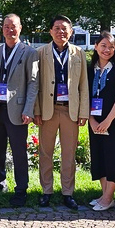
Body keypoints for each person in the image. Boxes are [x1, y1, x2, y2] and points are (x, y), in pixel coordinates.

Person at [33, 15, 89, 210]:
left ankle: (68, 192)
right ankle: (46, 191)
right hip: (48, 109)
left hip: (70, 111)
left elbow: (84, 84)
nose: (60, 32)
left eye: (64, 28)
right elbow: (35, 85)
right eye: (56, 28)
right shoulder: (40, 53)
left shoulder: (79, 53)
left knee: (69, 154)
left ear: (71, 32)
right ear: (50, 31)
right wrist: (36, 111)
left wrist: (83, 112)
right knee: (45, 153)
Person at [0, 14, 39, 207]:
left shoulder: (29, 52)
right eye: (6, 26)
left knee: (19, 151)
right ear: (2, 29)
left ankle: (21, 189)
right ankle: (0, 182)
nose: (10, 30)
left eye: (14, 26)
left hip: (18, 110)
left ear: (20, 28)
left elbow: (33, 83)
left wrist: (28, 109)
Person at [86, 32, 115, 211]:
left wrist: (108, 121)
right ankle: (105, 195)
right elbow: (84, 96)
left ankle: (108, 197)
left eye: (111, 47)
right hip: (95, 120)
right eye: (103, 45)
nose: (107, 50)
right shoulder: (89, 70)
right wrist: (91, 120)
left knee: (114, 158)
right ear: (96, 46)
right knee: (100, 157)